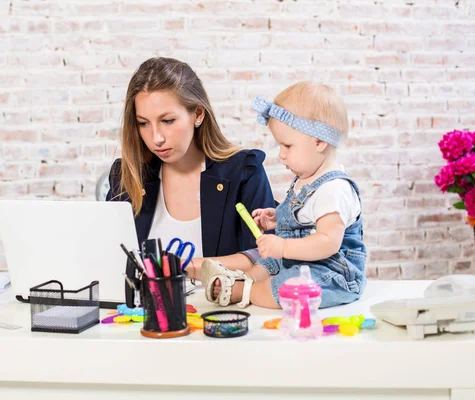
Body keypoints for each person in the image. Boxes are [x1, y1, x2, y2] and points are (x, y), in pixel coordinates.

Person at [200, 81, 367, 309]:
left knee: (290, 286)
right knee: (269, 262)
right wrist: (277, 217)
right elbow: (305, 218)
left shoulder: (334, 188)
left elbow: (328, 242)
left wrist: (284, 247)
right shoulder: (306, 177)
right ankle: (244, 279)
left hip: (332, 273)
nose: (281, 155)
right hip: (302, 260)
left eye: (287, 146)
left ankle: (242, 291)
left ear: (318, 142)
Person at [106, 57, 276, 270]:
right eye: (143, 123)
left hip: (221, 303)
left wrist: (181, 268)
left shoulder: (243, 171)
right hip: (145, 304)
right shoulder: (126, 176)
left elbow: (266, 256)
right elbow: (109, 257)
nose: (156, 137)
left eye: (167, 121)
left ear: (197, 114)